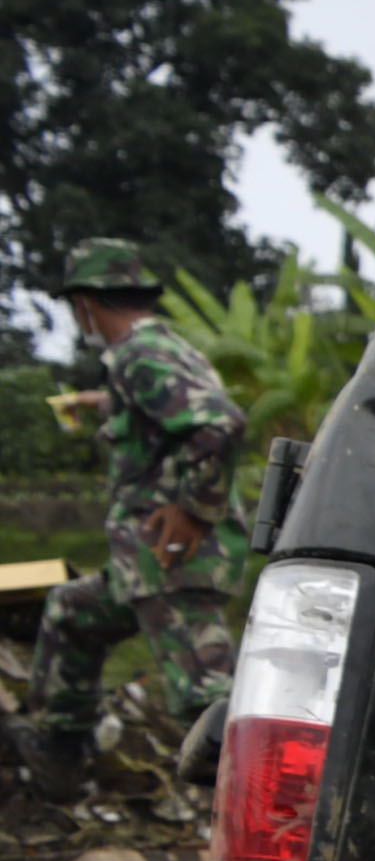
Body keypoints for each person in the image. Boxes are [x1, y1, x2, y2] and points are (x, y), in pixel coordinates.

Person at [20, 237, 248, 797]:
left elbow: (221, 424)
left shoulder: (138, 354)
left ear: (86, 304)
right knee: (71, 612)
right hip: (138, 564)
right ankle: (58, 759)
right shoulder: (157, 350)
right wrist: (103, 404)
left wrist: (193, 511)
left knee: (206, 700)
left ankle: (262, 812)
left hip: (173, 557)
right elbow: (171, 411)